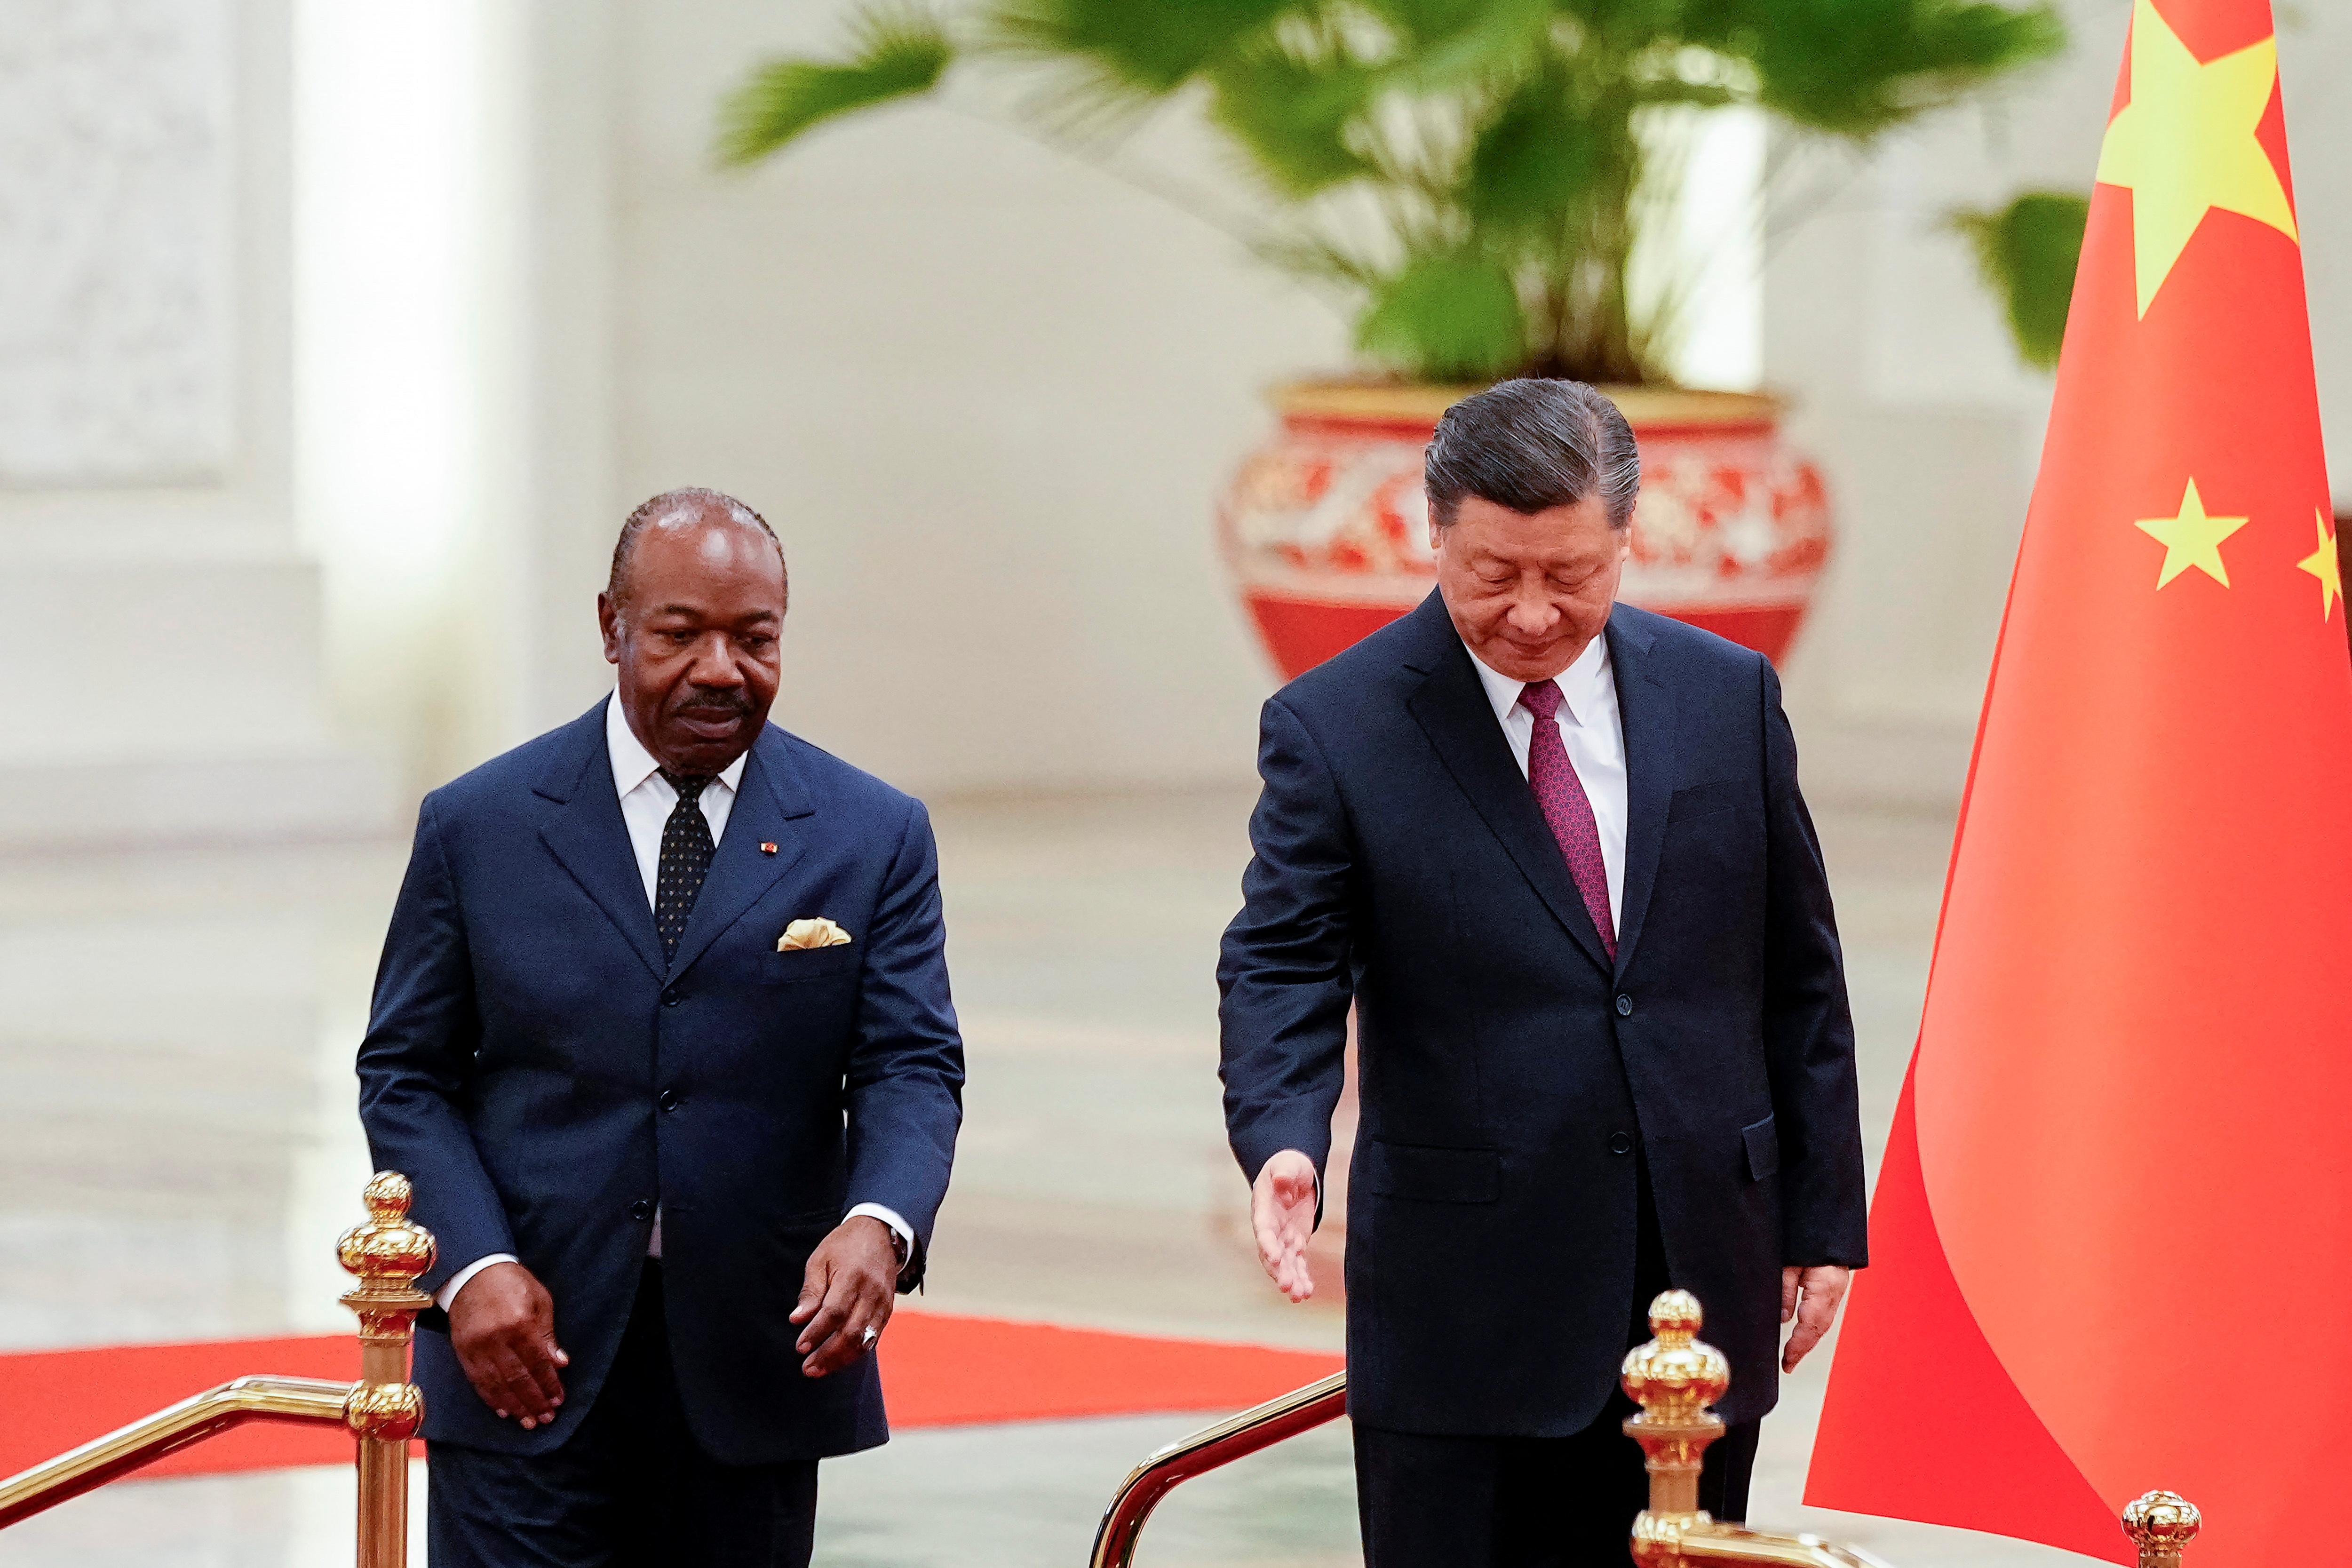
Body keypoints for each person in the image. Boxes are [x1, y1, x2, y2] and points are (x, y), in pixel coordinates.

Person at [1217, 380, 1867, 1566]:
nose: (1529, 612)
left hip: (1694, 1287)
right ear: (1435, 533)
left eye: (1570, 574)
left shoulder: (1727, 698)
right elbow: (1280, 957)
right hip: (1468, 1304)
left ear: (1627, 539)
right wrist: (1285, 1138)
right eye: (1491, 573)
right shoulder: (1338, 725)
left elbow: (1797, 973)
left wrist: (1822, 1217)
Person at [358, 487, 964, 1568]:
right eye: (681, 634)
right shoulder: (479, 824)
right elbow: (406, 1071)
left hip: (755, 1361)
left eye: (756, 637)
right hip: (524, 1355)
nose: (722, 668)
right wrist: (470, 1265)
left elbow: (910, 1061)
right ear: (612, 627)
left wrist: (882, 1220)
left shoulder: (873, 833)